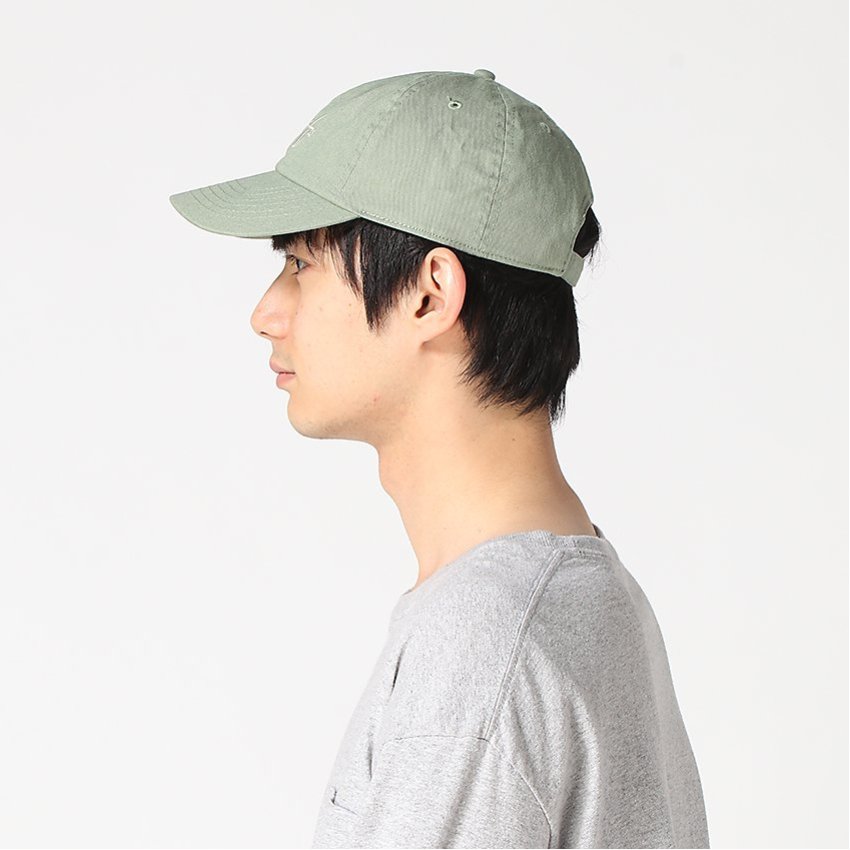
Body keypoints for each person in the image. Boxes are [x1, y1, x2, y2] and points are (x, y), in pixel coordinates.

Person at [169, 68, 710, 849]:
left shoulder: (483, 646)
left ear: (430, 293)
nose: (266, 312)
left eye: (301, 263)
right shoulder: (581, 596)